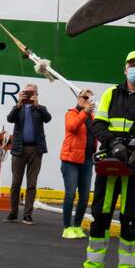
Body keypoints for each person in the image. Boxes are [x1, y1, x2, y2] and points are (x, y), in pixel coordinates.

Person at [66, 50, 135, 268]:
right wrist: (113, 144)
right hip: (111, 163)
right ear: (125, 69)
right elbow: (98, 124)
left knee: (130, 217)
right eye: (132, 64)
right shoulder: (110, 94)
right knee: (100, 215)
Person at [4, 83, 50, 225]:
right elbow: (10, 119)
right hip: (19, 149)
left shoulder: (41, 108)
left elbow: (47, 118)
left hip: (36, 150)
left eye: (32, 93)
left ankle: (27, 214)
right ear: (22, 93)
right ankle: (13, 212)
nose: (29, 95)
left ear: (36, 94)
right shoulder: (18, 108)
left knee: (31, 184)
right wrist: (18, 104)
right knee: (15, 183)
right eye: (27, 92)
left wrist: (37, 105)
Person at [60, 89, 94, 239]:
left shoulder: (92, 117)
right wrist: (84, 112)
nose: (86, 100)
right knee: (70, 194)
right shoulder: (71, 113)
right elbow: (72, 127)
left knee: (85, 196)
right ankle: (67, 227)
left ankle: (77, 226)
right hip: (71, 160)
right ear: (78, 98)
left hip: (87, 160)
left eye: (89, 98)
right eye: (84, 97)